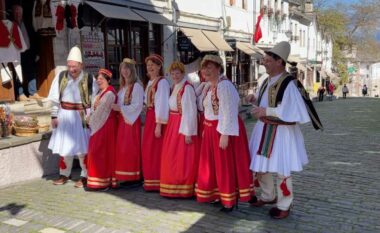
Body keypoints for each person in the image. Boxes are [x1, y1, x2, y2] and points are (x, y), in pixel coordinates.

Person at [247, 41, 323, 219]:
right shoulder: (266, 80)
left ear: (279, 61)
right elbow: (266, 100)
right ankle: (268, 196)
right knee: (260, 165)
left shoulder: (290, 83)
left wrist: (266, 111)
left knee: (283, 168)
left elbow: (294, 111)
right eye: (264, 60)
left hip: (282, 132)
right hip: (264, 128)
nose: (264, 63)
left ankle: (284, 205)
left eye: (267, 60)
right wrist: (255, 98)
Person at [195, 55, 254, 212]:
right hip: (211, 129)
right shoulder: (210, 86)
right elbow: (206, 108)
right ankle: (220, 194)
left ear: (218, 68)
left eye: (210, 67)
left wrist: (225, 134)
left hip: (222, 129)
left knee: (224, 165)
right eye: (204, 67)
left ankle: (229, 199)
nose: (206, 71)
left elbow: (229, 110)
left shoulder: (224, 86)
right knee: (215, 166)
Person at [48, 46, 98, 188]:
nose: (71, 69)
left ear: (81, 65)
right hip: (64, 115)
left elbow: (94, 101)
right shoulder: (61, 77)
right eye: (69, 66)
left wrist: (91, 118)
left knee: (83, 149)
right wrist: (53, 116)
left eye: (74, 67)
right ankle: (64, 174)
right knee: (65, 147)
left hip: (82, 116)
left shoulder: (89, 79)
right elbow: (55, 98)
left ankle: (85, 175)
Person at [159, 61, 199, 198]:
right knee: (171, 156)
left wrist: (188, 132)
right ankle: (171, 185)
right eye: (173, 73)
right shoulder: (174, 86)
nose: (175, 75)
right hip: (172, 124)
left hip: (182, 125)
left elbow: (190, 111)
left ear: (183, 73)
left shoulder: (186, 88)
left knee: (181, 157)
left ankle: (182, 186)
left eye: (178, 73)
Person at [112, 58, 144, 183]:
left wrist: (120, 108)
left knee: (129, 148)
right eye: (122, 68)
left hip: (130, 121)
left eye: (127, 68)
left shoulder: (136, 86)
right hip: (122, 121)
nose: (124, 71)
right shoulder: (123, 87)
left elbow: (137, 105)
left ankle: (132, 177)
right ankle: (124, 176)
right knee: (122, 149)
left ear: (132, 70)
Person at [141, 54, 170, 191]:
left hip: (156, 118)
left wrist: (159, 125)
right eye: (148, 65)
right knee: (148, 149)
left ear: (159, 66)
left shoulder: (162, 82)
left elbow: (162, 104)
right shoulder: (150, 82)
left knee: (155, 150)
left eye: (153, 65)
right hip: (150, 117)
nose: (150, 67)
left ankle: (157, 180)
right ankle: (150, 179)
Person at [86, 68, 118, 191]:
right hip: (98, 124)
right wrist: (90, 118)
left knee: (102, 152)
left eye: (101, 79)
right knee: (96, 152)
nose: (98, 81)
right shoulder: (100, 93)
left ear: (108, 80)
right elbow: (95, 110)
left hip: (105, 125)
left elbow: (102, 111)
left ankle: (104, 181)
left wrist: (90, 120)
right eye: (97, 79)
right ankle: (97, 180)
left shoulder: (109, 93)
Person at [12, 4, 42, 101]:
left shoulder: (28, 23)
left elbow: (33, 38)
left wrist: (36, 52)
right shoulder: (10, 24)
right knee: (18, 73)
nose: (18, 14)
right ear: (13, 13)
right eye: (16, 12)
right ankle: (20, 94)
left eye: (19, 12)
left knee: (31, 72)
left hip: (28, 52)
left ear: (22, 13)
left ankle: (32, 93)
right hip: (17, 53)